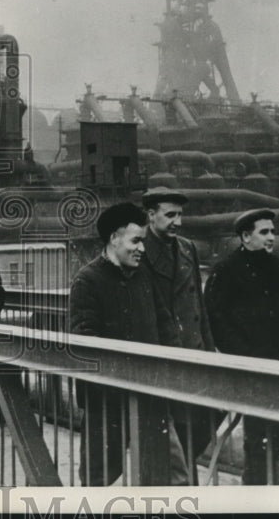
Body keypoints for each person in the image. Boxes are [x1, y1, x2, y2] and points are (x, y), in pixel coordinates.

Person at [69, 201, 172, 486]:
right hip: (105, 399)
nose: (142, 248)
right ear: (114, 239)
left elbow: (164, 325)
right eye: (136, 241)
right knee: (100, 475)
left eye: (143, 241)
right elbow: (83, 341)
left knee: (164, 471)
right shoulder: (87, 280)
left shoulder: (143, 276)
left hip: (149, 391)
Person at [204, 208, 279, 485]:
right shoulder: (226, 270)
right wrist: (242, 354)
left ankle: (267, 490)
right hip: (251, 366)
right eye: (264, 232)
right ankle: (255, 491)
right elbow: (215, 318)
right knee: (258, 435)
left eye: (273, 231)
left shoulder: (278, 267)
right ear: (245, 236)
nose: (272, 237)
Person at [141, 186, 215, 482]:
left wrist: (209, 351)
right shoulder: (138, 249)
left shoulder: (187, 248)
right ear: (150, 215)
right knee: (166, 439)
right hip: (161, 355)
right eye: (170, 215)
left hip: (191, 353)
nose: (178, 222)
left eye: (180, 215)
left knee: (190, 430)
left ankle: (185, 495)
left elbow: (199, 302)